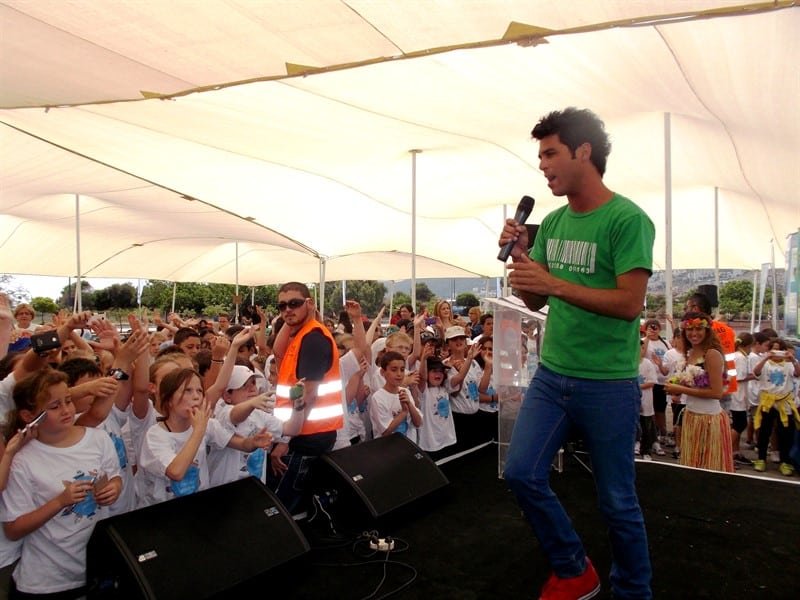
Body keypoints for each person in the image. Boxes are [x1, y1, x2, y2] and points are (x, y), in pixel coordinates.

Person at [499, 107, 653, 600]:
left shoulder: (627, 219)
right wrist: (523, 259)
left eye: (550, 154)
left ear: (583, 151)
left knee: (617, 502)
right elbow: (535, 299)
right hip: (552, 376)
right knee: (521, 473)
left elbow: (629, 305)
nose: (543, 165)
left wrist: (554, 284)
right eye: (540, 157)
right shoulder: (554, 221)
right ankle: (574, 569)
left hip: (608, 383)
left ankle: (633, 591)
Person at [1, 368, 122, 597]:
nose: (66, 410)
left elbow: (114, 476)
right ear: (28, 415)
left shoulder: (97, 438)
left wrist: (114, 488)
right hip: (48, 578)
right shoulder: (22, 461)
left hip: (95, 567)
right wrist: (59, 502)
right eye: (54, 406)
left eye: (68, 400)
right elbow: (13, 529)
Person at [137, 368, 272, 506]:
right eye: (187, 391)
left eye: (199, 391)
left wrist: (253, 442)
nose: (196, 397)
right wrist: (198, 431)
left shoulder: (207, 425)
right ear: (169, 399)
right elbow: (176, 472)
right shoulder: (155, 436)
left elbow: (242, 444)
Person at [268, 282, 344, 514]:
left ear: (309, 303)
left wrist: (284, 440)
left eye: (294, 303)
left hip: (305, 435)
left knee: (283, 506)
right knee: (296, 502)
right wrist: (292, 318)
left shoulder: (313, 339)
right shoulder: (303, 334)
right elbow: (277, 351)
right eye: (282, 306)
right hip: (303, 432)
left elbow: (308, 395)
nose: (287, 310)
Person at [664, 312, 734, 473]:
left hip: (708, 420)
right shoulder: (689, 354)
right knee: (692, 466)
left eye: (698, 329)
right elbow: (692, 384)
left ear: (707, 330)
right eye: (690, 329)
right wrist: (675, 384)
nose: (694, 333)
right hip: (691, 416)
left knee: (709, 468)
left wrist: (680, 389)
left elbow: (716, 393)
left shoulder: (712, 354)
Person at [750, 338, 800, 475]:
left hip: (784, 402)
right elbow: (756, 372)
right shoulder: (765, 363)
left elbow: (797, 373)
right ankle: (761, 459)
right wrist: (766, 358)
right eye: (774, 349)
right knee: (764, 431)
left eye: (779, 350)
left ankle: (785, 461)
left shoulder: (789, 364)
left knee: (786, 433)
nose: (777, 353)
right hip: (768, 402)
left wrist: (793, 360)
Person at [369, 351, 422, 437]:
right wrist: (404, 412)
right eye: (394, 370)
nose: (399, 374)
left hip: (408, 443)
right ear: (383, 372)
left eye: (402, 370)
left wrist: (409, 405)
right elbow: (385, 432)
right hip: (389, 445)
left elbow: (418, 423)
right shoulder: (378, 398)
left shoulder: (406, 392)